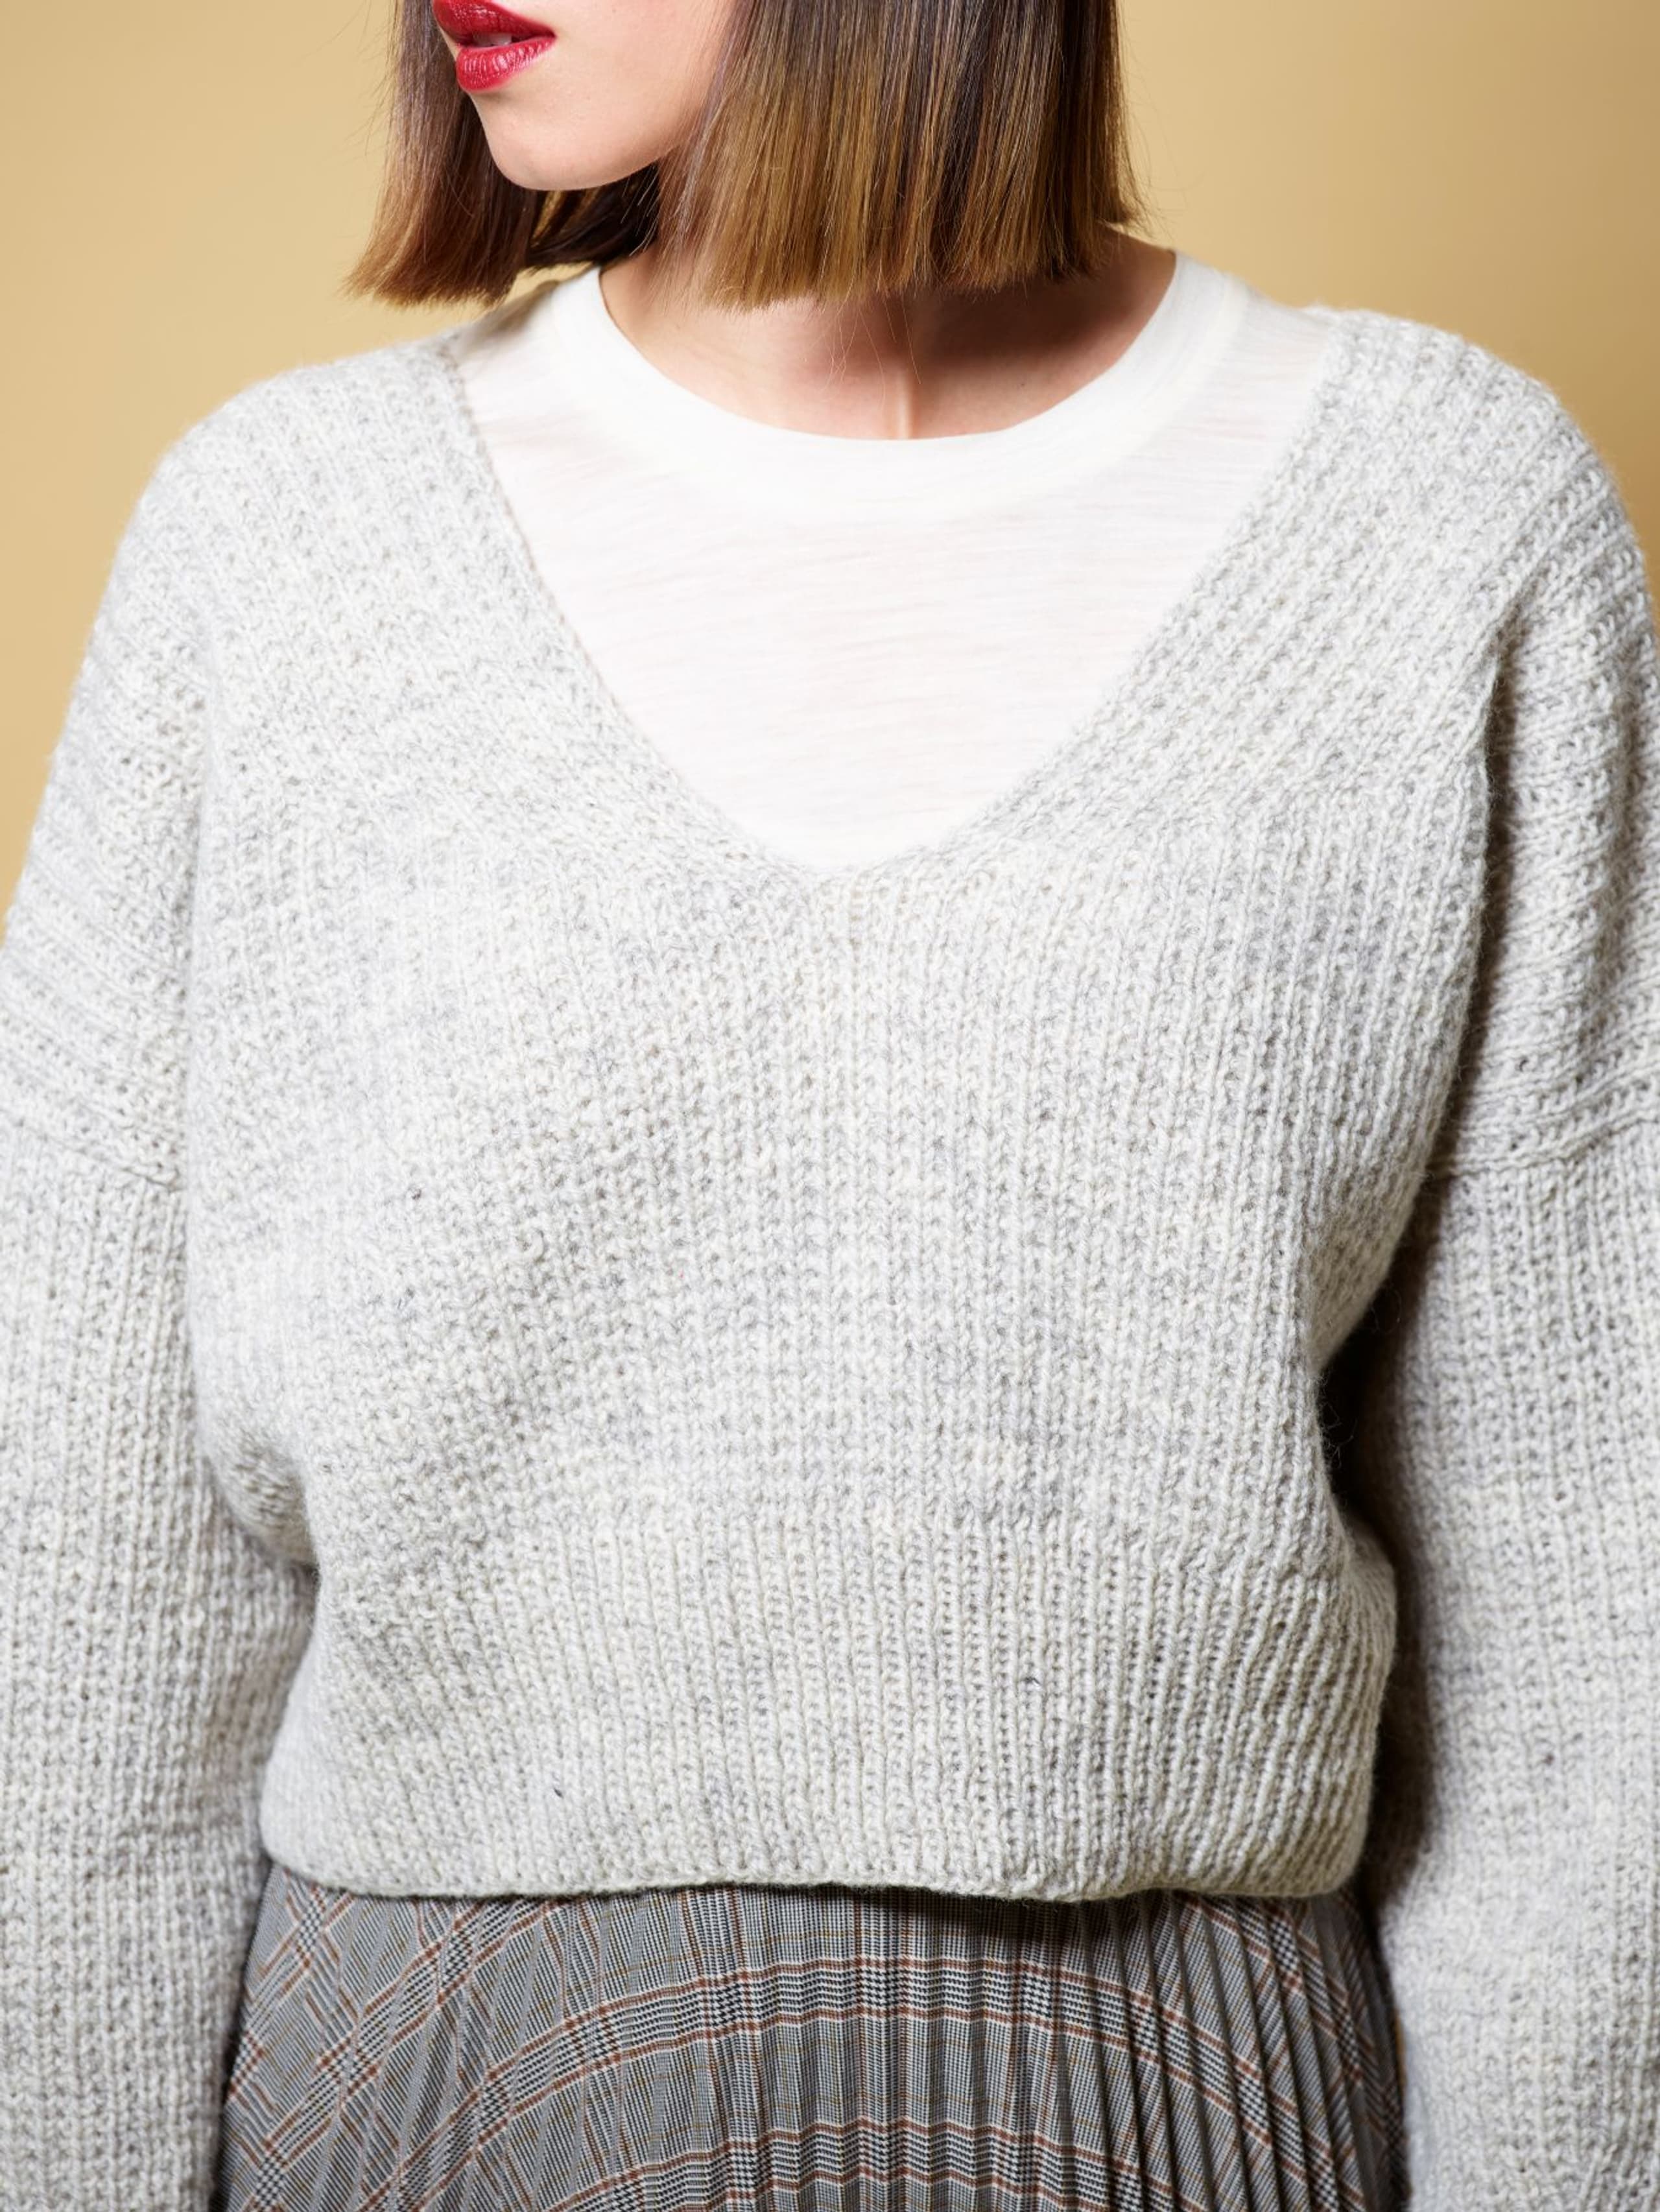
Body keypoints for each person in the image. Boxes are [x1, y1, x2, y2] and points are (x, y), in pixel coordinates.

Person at [1, 0, 1655, 2205]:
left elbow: (1584, 1661)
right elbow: (86, 1623)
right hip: (429, 2092)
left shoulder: (1444, 525)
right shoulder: (278, 547)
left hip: (1184, 2100)